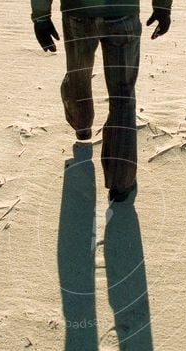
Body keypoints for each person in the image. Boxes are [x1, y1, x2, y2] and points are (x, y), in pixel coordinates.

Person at [31, 0, 172, 203]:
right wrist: (162, 8)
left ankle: (82, 125)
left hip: (78, 12)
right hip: (123, 14)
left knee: (78, 74)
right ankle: (121, 183)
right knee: (122, 96)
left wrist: (41, 17)